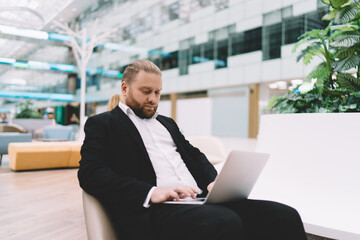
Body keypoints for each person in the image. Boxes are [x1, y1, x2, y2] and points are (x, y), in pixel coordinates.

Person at [78, 60, 308, 240]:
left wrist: (211, 182)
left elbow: (194, 155)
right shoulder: (103, 123)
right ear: (125, 88)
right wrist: (151, 192)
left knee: (285, 216)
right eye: (146, 91)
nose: (153, 99)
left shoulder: (166, 123)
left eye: (157, 93)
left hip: (200, 199)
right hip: (156, 211)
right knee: (224, 222)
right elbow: (90, 173)